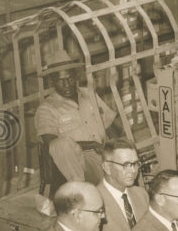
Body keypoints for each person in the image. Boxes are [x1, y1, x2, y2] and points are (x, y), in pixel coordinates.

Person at [34, 49, 117, 187]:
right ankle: (81, 190)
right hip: (81, 164)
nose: (67, 84)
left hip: (106, 156)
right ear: (51, 82)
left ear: (76, 76)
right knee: (60, 144)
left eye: (70, 78)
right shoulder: (46, 109)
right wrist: (90, 145)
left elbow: (111, 125)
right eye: (60, 81)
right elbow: (51, 144)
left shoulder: (89, 94)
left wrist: (116, 148)